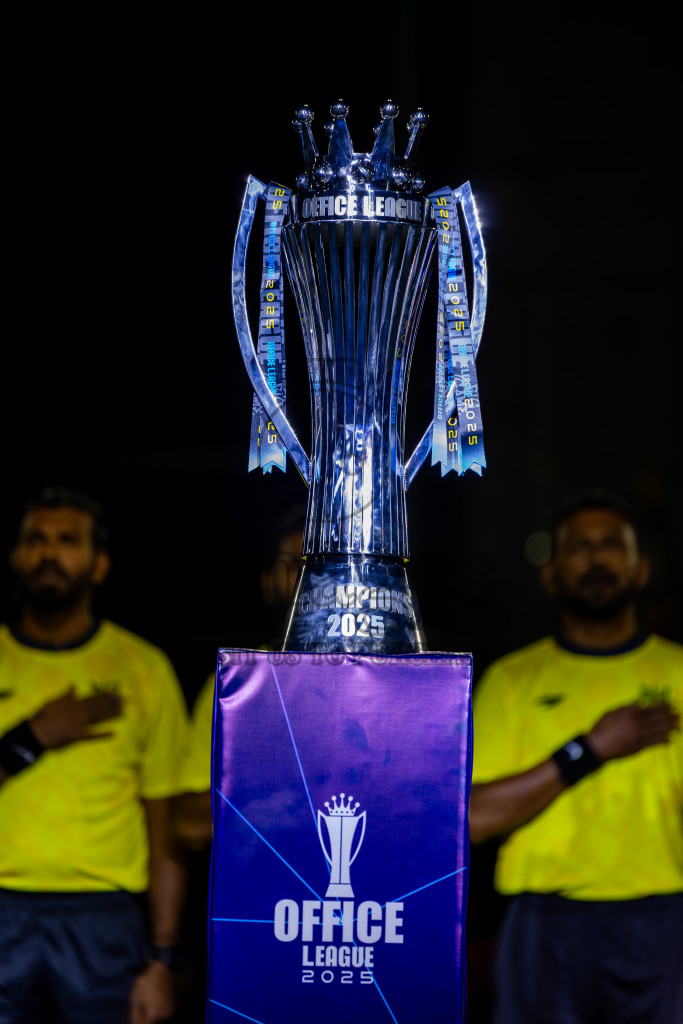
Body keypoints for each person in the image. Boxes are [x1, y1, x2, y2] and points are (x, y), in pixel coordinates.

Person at [469, 490, 682, 1023]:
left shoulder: (679, 672)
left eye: (612, 545)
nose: (596, 558)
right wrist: (588, 751)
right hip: (544, 923)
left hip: (664, 920)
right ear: (550, 573)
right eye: (579, 547)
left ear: (641, 568)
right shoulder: (511, 680)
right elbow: (471, 818)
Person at [0, 487, 190, 1024]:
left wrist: (164, 959)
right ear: (16, 557)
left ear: (99, 564)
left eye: (67, 540)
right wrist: (29, 739)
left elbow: (166, 831)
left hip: (103, 916)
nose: (49, 553)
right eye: (35, 539)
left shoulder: (143, 669)